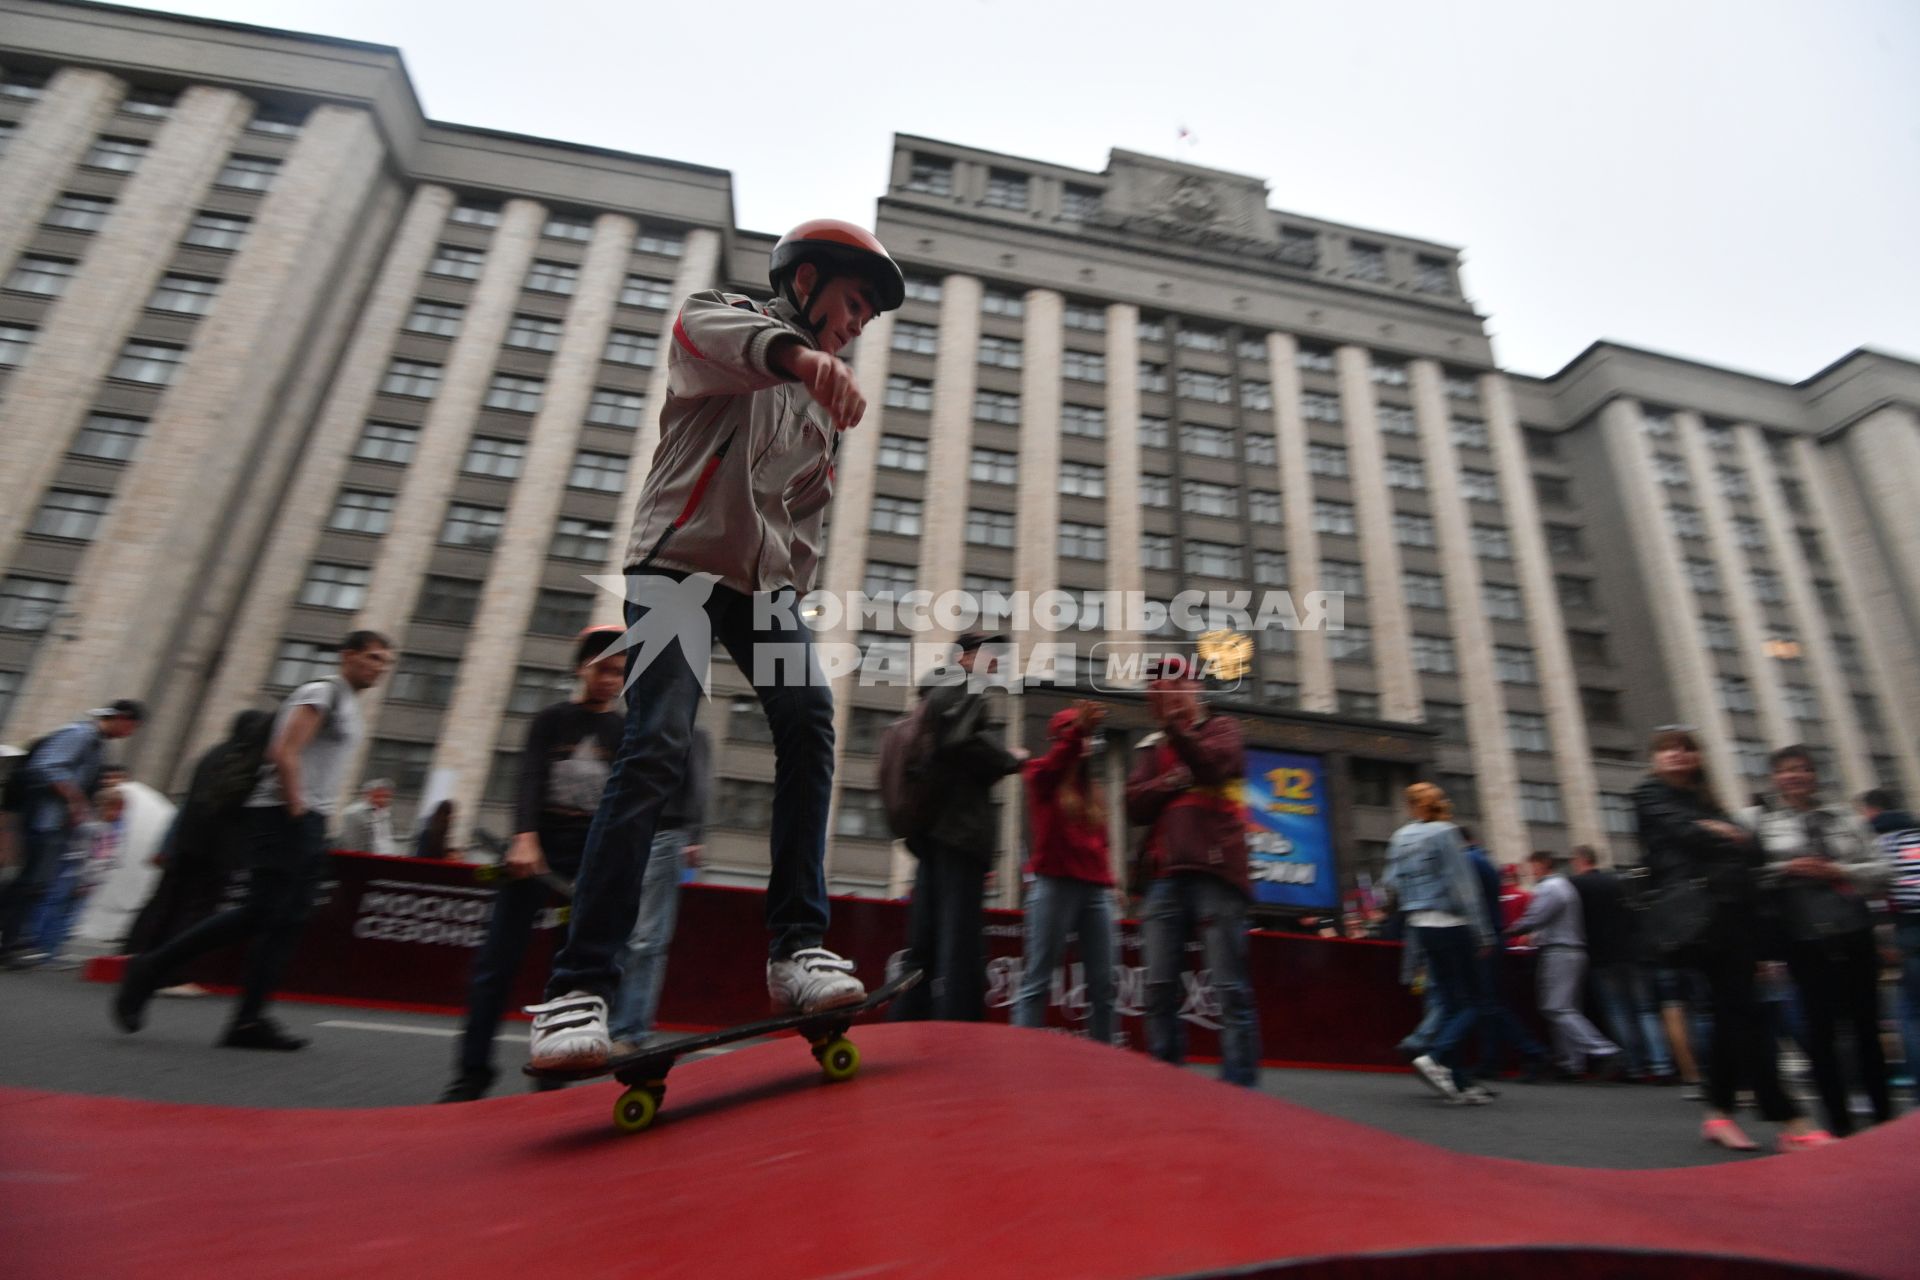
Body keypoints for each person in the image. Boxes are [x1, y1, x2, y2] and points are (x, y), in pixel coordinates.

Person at [526, 218, 905, 1071]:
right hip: (675, 571)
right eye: (851, 307)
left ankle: (795, 953)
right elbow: (721, 338)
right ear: (805, 281)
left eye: (865, 323)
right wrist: (805, 359)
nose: (854, 329)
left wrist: (792, 604)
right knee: (656, 741)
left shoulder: (821, 410)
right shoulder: (722, 317)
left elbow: (804, 512)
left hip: (763, 592)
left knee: (808, 721)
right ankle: (576, 992)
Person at [115, 631, 392, 1050]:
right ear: (348, 655)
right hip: (283, 814)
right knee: (260, 912)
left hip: (309, 818)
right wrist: (298, 811)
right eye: (372, 658)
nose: (379, 668)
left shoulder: (349, 705)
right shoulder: (322, 692)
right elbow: (284, 752)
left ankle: (249, 1021)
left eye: (385, 662)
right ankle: (150, 968)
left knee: (287, 919)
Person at [441, 627, 627, 1101]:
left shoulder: (625, 730)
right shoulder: (551, 720)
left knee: (569, 974)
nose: (610, 680)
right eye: (602, 669)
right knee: (495, 966)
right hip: (534, 856)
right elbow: (527, 779)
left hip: (587, 866)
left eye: (620, 673)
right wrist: (524, 840)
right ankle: (472, 1074)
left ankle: (554, 1074)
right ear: (580, 668)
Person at [1632, 726, 1825, 1152]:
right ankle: (1789, 1116)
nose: (1678, 755)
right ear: (1655, 759)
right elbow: (1689, 833)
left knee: (1728, 1014)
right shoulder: (1648, 794)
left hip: (1733, 915)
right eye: (1667, 749)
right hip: (1697, 917)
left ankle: (1718, 1113)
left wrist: (1720, 832)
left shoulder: (1708, 800)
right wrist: (1719, 833)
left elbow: (1752, 847)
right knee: (1744, 1013)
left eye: (1686, 748)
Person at [1744, 746, 1890, 1137]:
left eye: (1803, 769)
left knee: (1865, 1029)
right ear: (1775, 778)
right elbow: (1747, 876)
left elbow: (1883, 870)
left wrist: (1835, 870)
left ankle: (1883, 1120)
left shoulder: (1845, 817)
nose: (1795, 776)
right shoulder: (1761, 822)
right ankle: (1838, 1124)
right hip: (1801, 937)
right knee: (1819, 1032)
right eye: (1786, 771)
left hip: (1853, 930)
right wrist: (1786, 867)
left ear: (1815, 775)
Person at [1127, 662, 1261, 1087]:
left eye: (1176, 680)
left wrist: (1177, 736)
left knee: (1229, 989)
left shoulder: (1224, 727)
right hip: (1164, 877)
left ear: (1197, 688)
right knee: (1158, 990)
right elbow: (1133, 804)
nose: (1166, 688)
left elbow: (1214, 768)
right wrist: (1174, 778)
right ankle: (1168, 1087)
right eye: (1159, 682)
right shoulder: (1152, 746)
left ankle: (1240, 1091)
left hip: (1216, 874)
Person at [891, 633, 1026, 1024]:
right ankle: (962, 1037)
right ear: (965, 657)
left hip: (932, 834)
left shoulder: (933, 692)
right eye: (992, 656)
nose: (998, 664)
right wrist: (1009, 758)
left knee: (925, 946)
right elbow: (961, 739)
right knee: (960, 946)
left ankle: (907, 1027)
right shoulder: (961, 685)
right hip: (959, 833)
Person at [0, 699, 145, 966]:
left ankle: (12, 940)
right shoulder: (81, 734)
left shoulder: (95, 741)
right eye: (131, 726)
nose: (129, 733)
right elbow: (46, 766)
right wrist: (74, 798)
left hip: (56, 823)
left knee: (34, 883)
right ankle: (8, 942)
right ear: (123, 718)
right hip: (47, 820)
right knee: (31, 882)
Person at [127, 710, 274, 958]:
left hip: (189, 841)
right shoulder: (243, 761)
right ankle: (173, 966)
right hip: (215, 847)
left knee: (168, 900)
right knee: (198, 906)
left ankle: (139, 953)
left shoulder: (214, 754)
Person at [1013, 700, 1117, 1046]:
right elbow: (1057, 765)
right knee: (1037, 980)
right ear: (1062, 738)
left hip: (1096, 891)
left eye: (1088, 735)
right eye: (1077, 734)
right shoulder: (1040, 774)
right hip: (1054, 885)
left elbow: (1103, 844)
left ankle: (1104, 1059)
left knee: (1104, 984)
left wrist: (1110, 884)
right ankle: (1023, 1055)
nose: (1087, 743)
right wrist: (1076, 735)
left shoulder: (1094, 793)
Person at [1383, 782, 1495, 1104]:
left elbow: (1390, 882)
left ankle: (1457, 1082)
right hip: (1452, 923)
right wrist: (1484, 933)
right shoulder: (1446, 833)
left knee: (1448, 1002)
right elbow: (1464, 887)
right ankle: (1435, 1056)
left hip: (1421, 925)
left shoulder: (1400, 837)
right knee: (1473, 1001)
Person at [608, 724, 710, 1050]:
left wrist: (694, 834)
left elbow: (701, 783)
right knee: (624, 936)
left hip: (667, 834)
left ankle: (630, 1031)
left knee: (647, 938)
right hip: (629, 833)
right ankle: (617, 1024)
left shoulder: (692, 732)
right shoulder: (636, 725)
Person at [1507, 851, 1621, 1081]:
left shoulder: (1551, 888)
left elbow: (1534, 918)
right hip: (1569, 950)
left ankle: (1604, 1050)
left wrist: (1508, 931)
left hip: (1560, 950)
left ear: (1544, 865)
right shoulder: (1562, 886)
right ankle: (1572, 1062)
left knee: (1556, 1007)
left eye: (1534, 866)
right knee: (1565, 1007)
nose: (1531, 871)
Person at [1570, 845, 1673, 1083]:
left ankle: (1634, 1065)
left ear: (1580, 860)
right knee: (1645, 1010)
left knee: (1618, 1011)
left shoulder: (1577, 885)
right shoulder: (1618, 882)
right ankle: (1661, 1065)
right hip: (1633, 953)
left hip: (1602, 956)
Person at [1463, 833, 1549, 1083]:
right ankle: (1492, 1060)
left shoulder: (1470, 862)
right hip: (1495, 940)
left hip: (1484, 941)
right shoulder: (1483, 862)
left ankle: (1533, 1052)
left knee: (1489, 1004)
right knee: (1490, 1003)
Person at [1859, 788, 1920, 1092]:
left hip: (1907, 926)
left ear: (1872, 812)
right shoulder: (1916, 836)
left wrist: (1883, 940)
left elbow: (1877, 894)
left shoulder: (1878, 843)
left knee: (1911, 1013)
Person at [28, 786, 124, 966]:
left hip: (79, 876)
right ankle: (46, 950)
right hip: (78, 876)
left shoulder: (97, 828)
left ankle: (47, 949)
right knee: (61, 913)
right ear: (106, 807)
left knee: (62, 913)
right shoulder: (96, 829)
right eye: (117, 809)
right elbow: (87, 856)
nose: (119, 814)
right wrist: (85, 880)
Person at [336, 779, 400, 856]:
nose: (384, 800)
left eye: (387, 796)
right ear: (367, 795)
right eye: (378, 796)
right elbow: (350, 844)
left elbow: (385, 840)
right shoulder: (354, 813)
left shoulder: (385, 813)